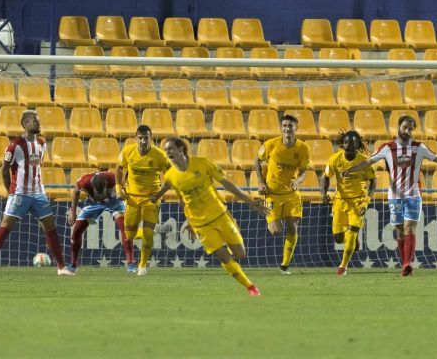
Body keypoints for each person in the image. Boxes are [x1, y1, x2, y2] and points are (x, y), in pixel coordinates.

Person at [344, 114, 437, 277]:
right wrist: (350, 170)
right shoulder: (387, 147)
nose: (408, 131)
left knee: (409, 228)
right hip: (395, 196)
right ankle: (405, 263)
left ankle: (407, 264)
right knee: (399, 231)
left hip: (413, 195)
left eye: (411, 129)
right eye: (405, 127)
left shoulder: (419, 148)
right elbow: (367, 162)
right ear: (398, 127)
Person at [150, 137, 267, 296]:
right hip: (201, 224)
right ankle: (250, 287)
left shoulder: (202, 163)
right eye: (165, 149)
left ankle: (231, 233)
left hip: (220, 214)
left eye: (170, 148)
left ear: (181, 149)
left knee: (240, 254)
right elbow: (182, 200)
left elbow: (226, 184)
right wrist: (190, 222)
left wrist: (250, 202)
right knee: (224, 257)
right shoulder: (170, 175)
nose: (167, 152)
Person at [0, 110, 72, 276]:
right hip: (20, 193)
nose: (39, 123)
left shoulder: (42, 143)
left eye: (39, 121)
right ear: (26, 124)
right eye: (35, 121)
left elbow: (36, 167)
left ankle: (61, 267)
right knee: (5, 227)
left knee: (50, 227)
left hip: (38, 193)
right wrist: (11, 191)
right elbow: (5, 169)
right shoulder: (15, 145)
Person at [255, 113, 309, 274]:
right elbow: (257, 160)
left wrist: (297, 181)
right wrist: (260, 182)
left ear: (296, 128)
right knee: (276, 230)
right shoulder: (271, 144)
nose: (287, 128)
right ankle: (270, 217)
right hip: (272, 193)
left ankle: (284, 265)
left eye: (290, 126)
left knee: (292, 228)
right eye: (284, 125)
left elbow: (304, 172)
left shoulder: (302, 148)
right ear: (281, 128)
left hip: (291, 194)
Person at [115, 125, 170, 275]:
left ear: (151, 139)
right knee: (129, 236)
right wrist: (119, 190)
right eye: (140, 138)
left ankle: (142, 265)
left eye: (146, 138)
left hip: (151, 199)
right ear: (136, 138)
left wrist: (158, 196)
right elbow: (119, 168)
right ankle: (143, 232)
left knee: (148, 234)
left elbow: (172, 179)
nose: (143, 141)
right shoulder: (128, 151)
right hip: (132, 198)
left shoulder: (159, 156)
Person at [321, 130, 376, 276]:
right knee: (338, 239)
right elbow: (326, 177)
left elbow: (373, 181)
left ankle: (343, 267)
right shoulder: (334, 159)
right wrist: (324, 194)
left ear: (358, 145)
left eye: (352, 143)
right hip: (340, 200)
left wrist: (367, 200)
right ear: (342, 144)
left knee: (351, 233)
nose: (349, 145)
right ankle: (352, 238)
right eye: (346, 142)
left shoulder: (365, 161)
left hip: (358, 201)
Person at [64, 170, 127, 273]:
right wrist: (73, 210)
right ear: (92, 187)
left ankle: (131, 264)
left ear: (106, 185)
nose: (101, 195)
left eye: (102, 192)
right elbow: (76, 190)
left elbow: (124, 187)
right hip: (93, 203)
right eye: (98, 192)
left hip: (113, 201)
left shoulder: (112, 177)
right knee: (77, 230)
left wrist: (123, 194)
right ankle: (73, 265)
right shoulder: (84, 181)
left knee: (124, 226)